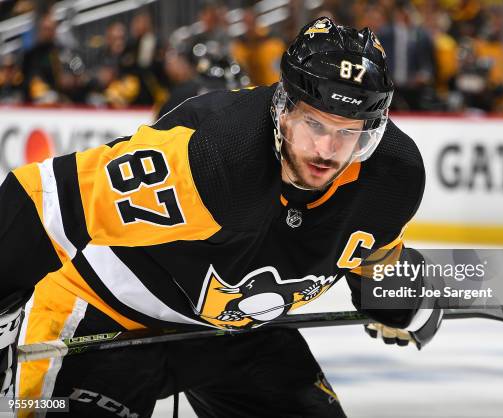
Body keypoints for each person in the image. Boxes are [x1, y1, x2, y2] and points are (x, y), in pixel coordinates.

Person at [0, 17, 440, 417]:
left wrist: (399, 297)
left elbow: (367, 255)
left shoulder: (391, 178)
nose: (326, 151)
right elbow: (39, 198)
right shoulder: (212, 156)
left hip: (235, 335)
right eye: (314, 124)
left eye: (348, 132)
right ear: (284, 108)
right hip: (108, 320)